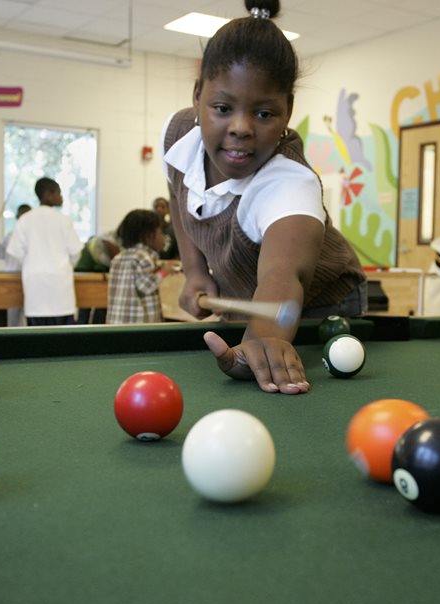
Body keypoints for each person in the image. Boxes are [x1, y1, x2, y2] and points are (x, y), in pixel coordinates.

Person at [162, 0, 366, 395]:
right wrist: (194, 271)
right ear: (197, 96)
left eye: (264, 114)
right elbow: (178, 194)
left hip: (324, 306)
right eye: (222, 107)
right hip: (244, 295)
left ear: (288, 111)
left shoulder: (289, 184)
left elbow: (282, 280)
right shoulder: (178, 134)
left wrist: (261, 341)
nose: (240, 128)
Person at [5, 179, 82, 326]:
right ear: (47, 194)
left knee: (37, 340)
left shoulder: (25, 220)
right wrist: (64, 267)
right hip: (61, 290)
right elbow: (76, 253)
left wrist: (32, 264)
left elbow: (16, 253)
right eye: (58, 192)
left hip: (35, 290)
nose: (61, 197)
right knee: (64, 340)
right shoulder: (63, 220)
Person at [106, 209, 172, 324]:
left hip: (117, 321)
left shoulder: (119, 257)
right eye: (160, 232)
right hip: (138, 323)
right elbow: (146, 285)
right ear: (148, 236)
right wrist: (164, 272)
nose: (163, 237)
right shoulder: (143, 257)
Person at [0, 203, 30, 326]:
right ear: (18, 217)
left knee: (29, 316)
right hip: (11, 280)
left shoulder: (33, 237)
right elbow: (0, 253)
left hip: (29, 279)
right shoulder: (11, 235)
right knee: (13, 318)